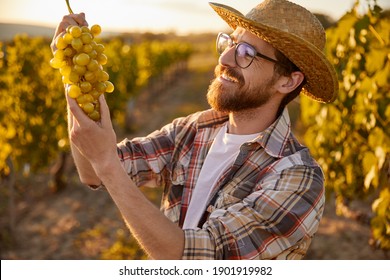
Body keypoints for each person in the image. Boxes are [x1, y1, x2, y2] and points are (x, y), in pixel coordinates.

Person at [51, 0, 338, 260]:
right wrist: (74, 67)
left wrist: (107, 164)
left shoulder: (297, 177)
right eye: (229, 43)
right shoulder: (192, 129)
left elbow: (194, 257)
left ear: (288, 82)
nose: (224, 60)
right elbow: (91, 170)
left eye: (246, 53)